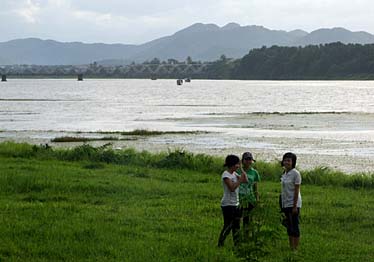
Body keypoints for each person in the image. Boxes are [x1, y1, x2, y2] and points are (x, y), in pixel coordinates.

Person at [218, 154, 248, 247]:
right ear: (232, 164)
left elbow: (245, 180)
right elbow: (232, 188)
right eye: (237, 164)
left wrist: (242, 170)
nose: (238, 166)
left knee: (237, 225)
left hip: (236, 203)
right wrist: (239, 181)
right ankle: (220, 243)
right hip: (227, 204)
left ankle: (237, 244)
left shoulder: (234, 174)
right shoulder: (226, 175)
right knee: (228, 225)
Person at [280, 152, 302, 251]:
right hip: (285, 202)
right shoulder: (284, 173)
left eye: (289, 160)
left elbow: (297, 190)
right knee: (288, 225)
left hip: (293, 203)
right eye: (285, 160)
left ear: (293, 162)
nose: (286, 162)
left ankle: (295, 248)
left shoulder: (296, 174)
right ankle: (291, 246)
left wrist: (294, 206)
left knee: (295, 225)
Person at [237, 152, 260, 240]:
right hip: (239, 198)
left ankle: (247, 236)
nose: (248, 161)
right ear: (242, 161)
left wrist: (257, 199)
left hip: (250, 199)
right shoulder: (237, 170)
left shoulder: (254, 172)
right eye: (246, 159)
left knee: (248, 219)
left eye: (250, 159)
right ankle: (238, 237)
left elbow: (255, 187)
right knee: (237, 218)